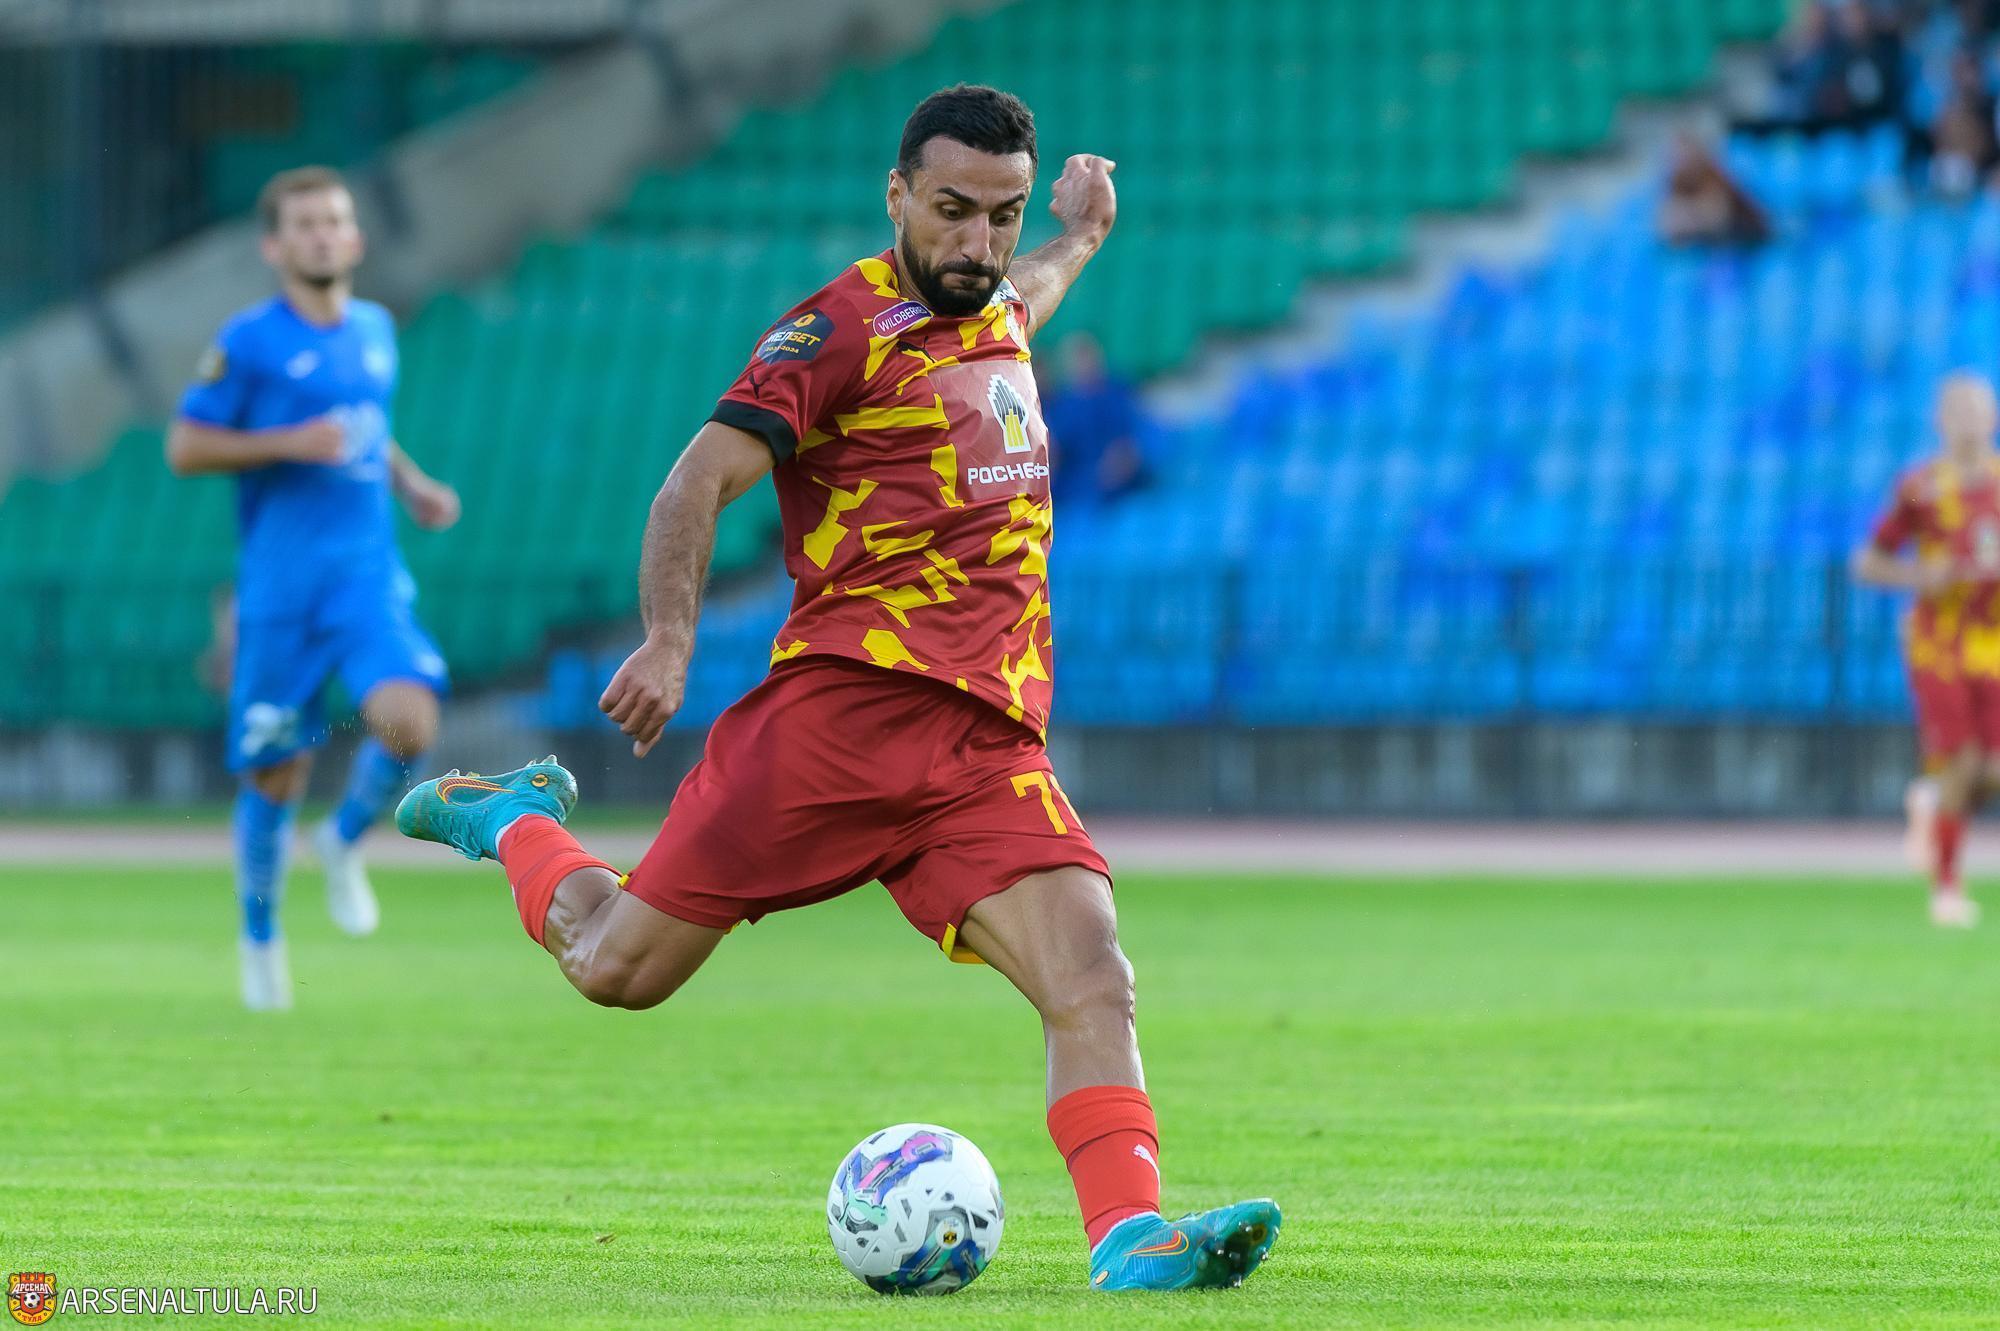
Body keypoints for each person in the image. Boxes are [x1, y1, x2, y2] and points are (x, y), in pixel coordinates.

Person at [395, 85, 1279, 1292]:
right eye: (953, 210)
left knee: (1092, 976)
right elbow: (692, 483)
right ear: (897, 195)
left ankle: (1128, 1236)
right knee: (614, 967)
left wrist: (1080, 234)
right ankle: (512, 819)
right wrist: (667, 641)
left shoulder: (998, 304)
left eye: (1003, 215)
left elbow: (1028, 291)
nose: (978, 241)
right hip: (833, 727)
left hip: (982, 750)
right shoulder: (833, 332)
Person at [167, 166, 461, 1009]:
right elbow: (186, 446)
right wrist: (285, 442)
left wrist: (411, 483)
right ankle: (260, 936)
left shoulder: (374, 328)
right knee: (276, 775)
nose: (323, 234)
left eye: (334, 220)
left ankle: (343, 838)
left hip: (365, 579)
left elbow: (366, 426)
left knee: (409, 719)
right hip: (281, 592)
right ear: (274, 246)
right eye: (304, 224)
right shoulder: (250, 341)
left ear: (356, 238)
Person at [1852, 372, 2000, 928]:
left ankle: (1934, 803)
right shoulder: (1920, 487)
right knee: (1962, 759)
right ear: (1939, 421)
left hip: (1994, 641)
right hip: (1940, 643)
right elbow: (1867, 562)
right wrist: (1919, 576)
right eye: (1957, 411)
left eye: (1977, 410)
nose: (1968, 422)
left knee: (1990, 769)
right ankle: (1947, 888)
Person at [1043, 330, 1148, 507]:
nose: (1084, 363)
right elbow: (1054, 455)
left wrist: (1125, 458)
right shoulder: (1060, 407)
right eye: (1077, 357)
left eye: (1087, 354)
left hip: (1126, 489)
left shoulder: (1119, 394)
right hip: (1076, 493)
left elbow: (1137, 438)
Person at [1659, 133, 1772, 248]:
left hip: (1749, 236)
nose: (1681, 161)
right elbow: (1668, 225)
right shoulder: (1677, 182)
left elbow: (1717, 219)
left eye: (1684, 157)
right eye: (1676, 158)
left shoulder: (1713, 177)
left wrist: (1690, 216)